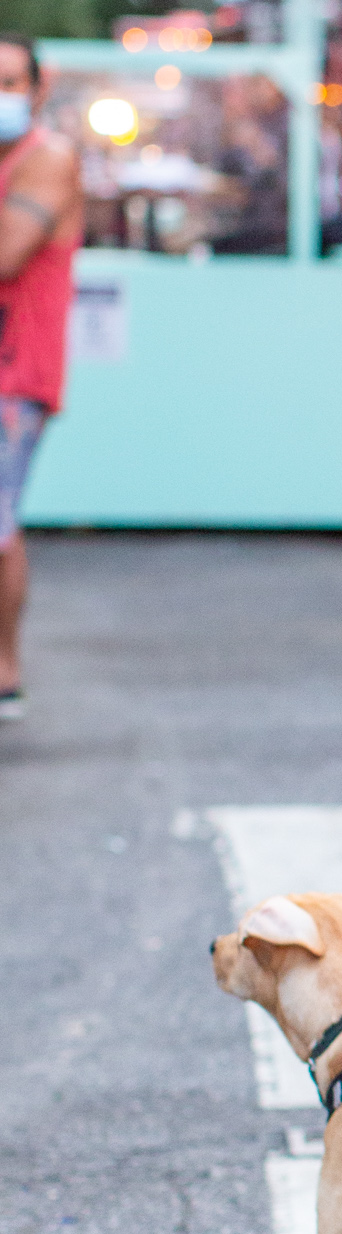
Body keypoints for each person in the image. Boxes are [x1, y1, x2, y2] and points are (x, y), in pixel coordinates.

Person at [0, 35, 81, 721]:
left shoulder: (47, 161)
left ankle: (4, 669)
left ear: (37, 88)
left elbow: (6, 253)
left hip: (13, 377)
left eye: (8, 83)